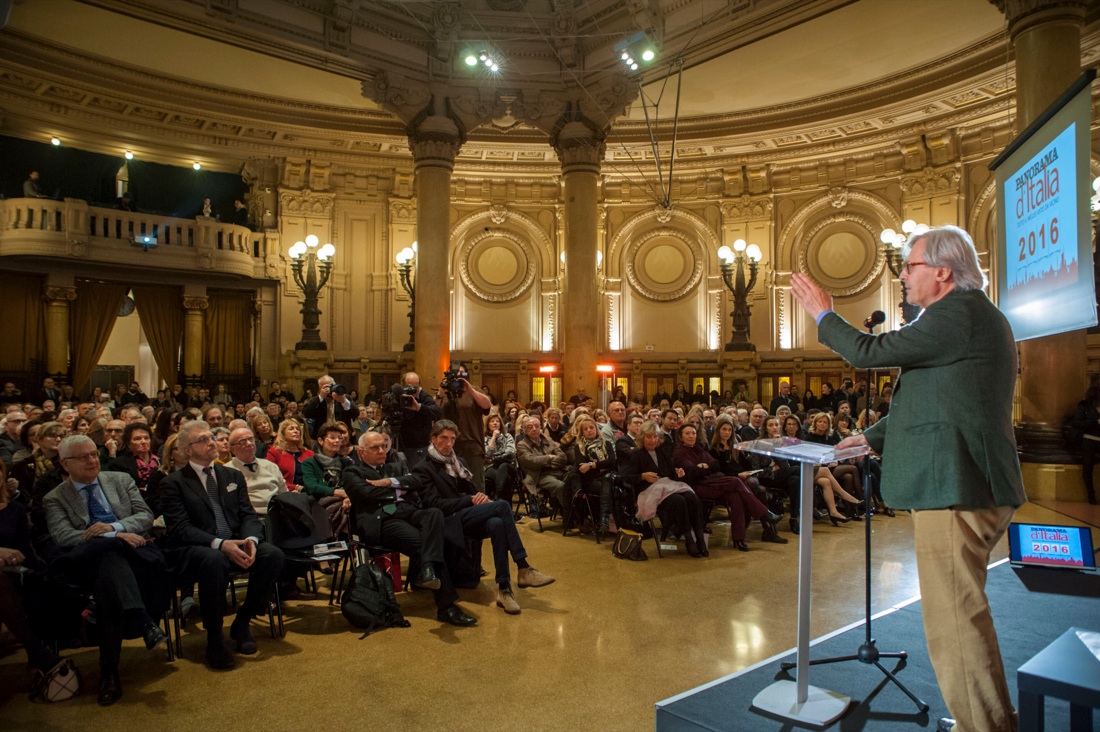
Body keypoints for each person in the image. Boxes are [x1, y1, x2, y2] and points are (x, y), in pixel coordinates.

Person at [791, 224, 1026, 732]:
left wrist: (823, 315)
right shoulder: (965, 319)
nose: (901, 275)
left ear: (942, 272)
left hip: (956, 486)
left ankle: (985, 727)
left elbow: (868, 354)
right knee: (960, 616)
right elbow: (939, 400)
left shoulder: (958, 313)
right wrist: (872, 436)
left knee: (954, 624)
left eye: (910, 265)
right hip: (962, 483)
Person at [44, 435, 169, 705]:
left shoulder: (120, 480)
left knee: (108, 586)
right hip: (86, 564)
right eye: (83, 457)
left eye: (94, 454)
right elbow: (64, 536)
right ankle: (141, 620)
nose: (92, 460)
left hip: (135, 556)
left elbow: (145, 516)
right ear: (65, 464)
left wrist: (114, 528)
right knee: (108, 560)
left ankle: (109, 672)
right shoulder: (54, 498)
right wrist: (115, 538)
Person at [159, 421, 285, 669]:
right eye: (203, 440)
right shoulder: (173, 483)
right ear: (187, 450)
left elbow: (248, 515)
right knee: (213, 560)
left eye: (212, 437)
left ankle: (243, 620)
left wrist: (250, 540)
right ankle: (214, 636)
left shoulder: (232, 475)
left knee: (272, 554)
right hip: (195, 548)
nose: (211, 442)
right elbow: (181, 529)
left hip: (235, 541)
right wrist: (220, 544)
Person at [412, 420, 554, 615]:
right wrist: (469, 500)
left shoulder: (458, 462)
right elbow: (434, 505)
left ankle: (504, 589)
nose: (448, 443)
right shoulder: (424, 467)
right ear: (433, 439)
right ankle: (523, 567)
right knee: (503, 506)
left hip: (465, 514)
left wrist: (479, 497)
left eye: (452, 439)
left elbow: (472, 491)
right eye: (443, 438)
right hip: (447, 520)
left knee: (496, 524)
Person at [342, 430, 477, 627]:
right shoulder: (352, 472)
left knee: (434, 513)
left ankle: (428, 570)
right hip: (383, 522)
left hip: (409, 512)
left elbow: (417, 481)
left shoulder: (395, 466)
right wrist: (399, 489)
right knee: (427, 544)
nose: (382, 450)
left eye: (383, 446)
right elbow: (366, 493)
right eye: (375, 447)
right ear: (361, 453)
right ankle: (446, 607)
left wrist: (390, 482)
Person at [673, 424, 784, 550]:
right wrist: (704, 467)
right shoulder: (680, 452)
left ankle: (739, 539)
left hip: (711, 482)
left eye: (693, 433)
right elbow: (692, 472)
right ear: (681, 437)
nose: (691, 436)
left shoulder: (698, 448)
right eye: (687, 433)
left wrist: (703, 467)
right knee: (735, 481)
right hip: (696, 486)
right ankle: (764, 513)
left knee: (736, 497)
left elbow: (716, 465)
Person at [623, 421, 708, 557]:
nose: (653, 440)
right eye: (649, 437)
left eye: (655, 437)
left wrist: (679, 473)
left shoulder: (662, 452)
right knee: (678, 501)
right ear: (642, 438)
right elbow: (627, 477)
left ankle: (700, 538)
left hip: (667, 486)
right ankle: (689, 539)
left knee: (692, 497)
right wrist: (643, 476)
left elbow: (671, 475)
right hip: (649, 491)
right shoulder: (637, 454)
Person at [437, 362, 491, 489]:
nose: (458, 377)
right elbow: (435, 410)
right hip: (448, 445)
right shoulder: (445, 392)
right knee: (451, 485)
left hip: (472, 444)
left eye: (461, 374)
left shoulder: (473, 390)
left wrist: (469, 388)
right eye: (455, 374)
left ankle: (479, 509)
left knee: (476, 485)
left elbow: (487, 405)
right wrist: (441, 392)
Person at [560, 414, 617, 535]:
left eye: (592, 427)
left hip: (607, 479)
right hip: (590, 482)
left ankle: (605, 521)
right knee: (607, 481)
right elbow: (582, 467)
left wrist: (592, 465)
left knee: (608, 480)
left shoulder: (606, 443)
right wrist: (601, 466)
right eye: (585, 429)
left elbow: (612, 462)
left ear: (596, 429)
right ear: (582, 433)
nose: (589, 430)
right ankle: (604, 520)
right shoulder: (579, 447)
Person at [300, 422, 352, 537]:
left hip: (343, 503)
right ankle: (342, 540)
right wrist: (336, 492)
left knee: (348, 508)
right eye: (332, 438)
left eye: (339, 438)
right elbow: (311, 487)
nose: (337, 441)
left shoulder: (346, 462)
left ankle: (340, 540)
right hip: (317, 503)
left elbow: (352, 484)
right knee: (343, 511)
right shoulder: (310, 463)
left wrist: (347, 496)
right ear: (320, 441)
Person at [226, 426, 287, 515]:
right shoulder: (227, 470)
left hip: (276, 514)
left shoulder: (270, 466)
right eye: (242, 441)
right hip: (248, 516)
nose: (249, 443)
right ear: (232, 449)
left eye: (251, 439)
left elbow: (284, 493)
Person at [515, 415, 570, 512]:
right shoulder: (522, 445)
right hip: (539, 476)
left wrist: (546, 462)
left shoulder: (548, 440)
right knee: (560, 486)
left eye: (536, 426)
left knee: (574, 479)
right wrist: (549, 457)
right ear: (524, 430)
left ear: (541, 427)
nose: (534, 429)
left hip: (558, 471)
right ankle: (570, 516)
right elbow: (532, 462)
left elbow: (563, 457)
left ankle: (578, 513)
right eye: (530, 427)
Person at [396, 371, 443, 468]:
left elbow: (437, 411)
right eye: (408, 387)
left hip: (419, 445)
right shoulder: (399, 396)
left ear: (419, 385)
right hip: (402, 443)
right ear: (403, 385)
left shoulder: (424, 396)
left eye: (415, 388)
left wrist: (419, 407)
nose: (411, 390)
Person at [264, 418, 314, 492]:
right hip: (286, 493)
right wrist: (296, 487)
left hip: (310, 491)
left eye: (298, 429)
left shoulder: (309, 453)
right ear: (283, 434)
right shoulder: (274, 453)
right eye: (291, 429)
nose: (296, 431)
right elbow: (271, 479)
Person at [302, 374, 356, 440]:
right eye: (327, 387)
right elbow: (306, 413)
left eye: (332, 386)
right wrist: (321, 397)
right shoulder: (316, 400)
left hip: (342, 437)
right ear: (320, 389)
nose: (330, 389)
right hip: (322, 437)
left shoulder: (344, 398)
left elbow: (355, 414)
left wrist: (343, 401)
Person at [483, 412, 518, 507]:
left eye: (497, 421)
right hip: (490, 467)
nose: (495, 423)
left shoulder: (507, 436)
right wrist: (493, 437)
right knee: (507, 479)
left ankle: (497, 497)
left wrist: (494, 458)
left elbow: (510, 452)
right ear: (487, 424)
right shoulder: (485, 438)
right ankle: (506, 507)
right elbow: (487, 455)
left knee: (504, 466)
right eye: (492, 421)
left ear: (501, 424)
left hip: (509, 466)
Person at [1072, 385, 1100, 505]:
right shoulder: (1084, 406)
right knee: (1088, 468)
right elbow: (1077, 423)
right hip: (1089, 440)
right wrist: (1095, 422)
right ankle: (1091, 495)